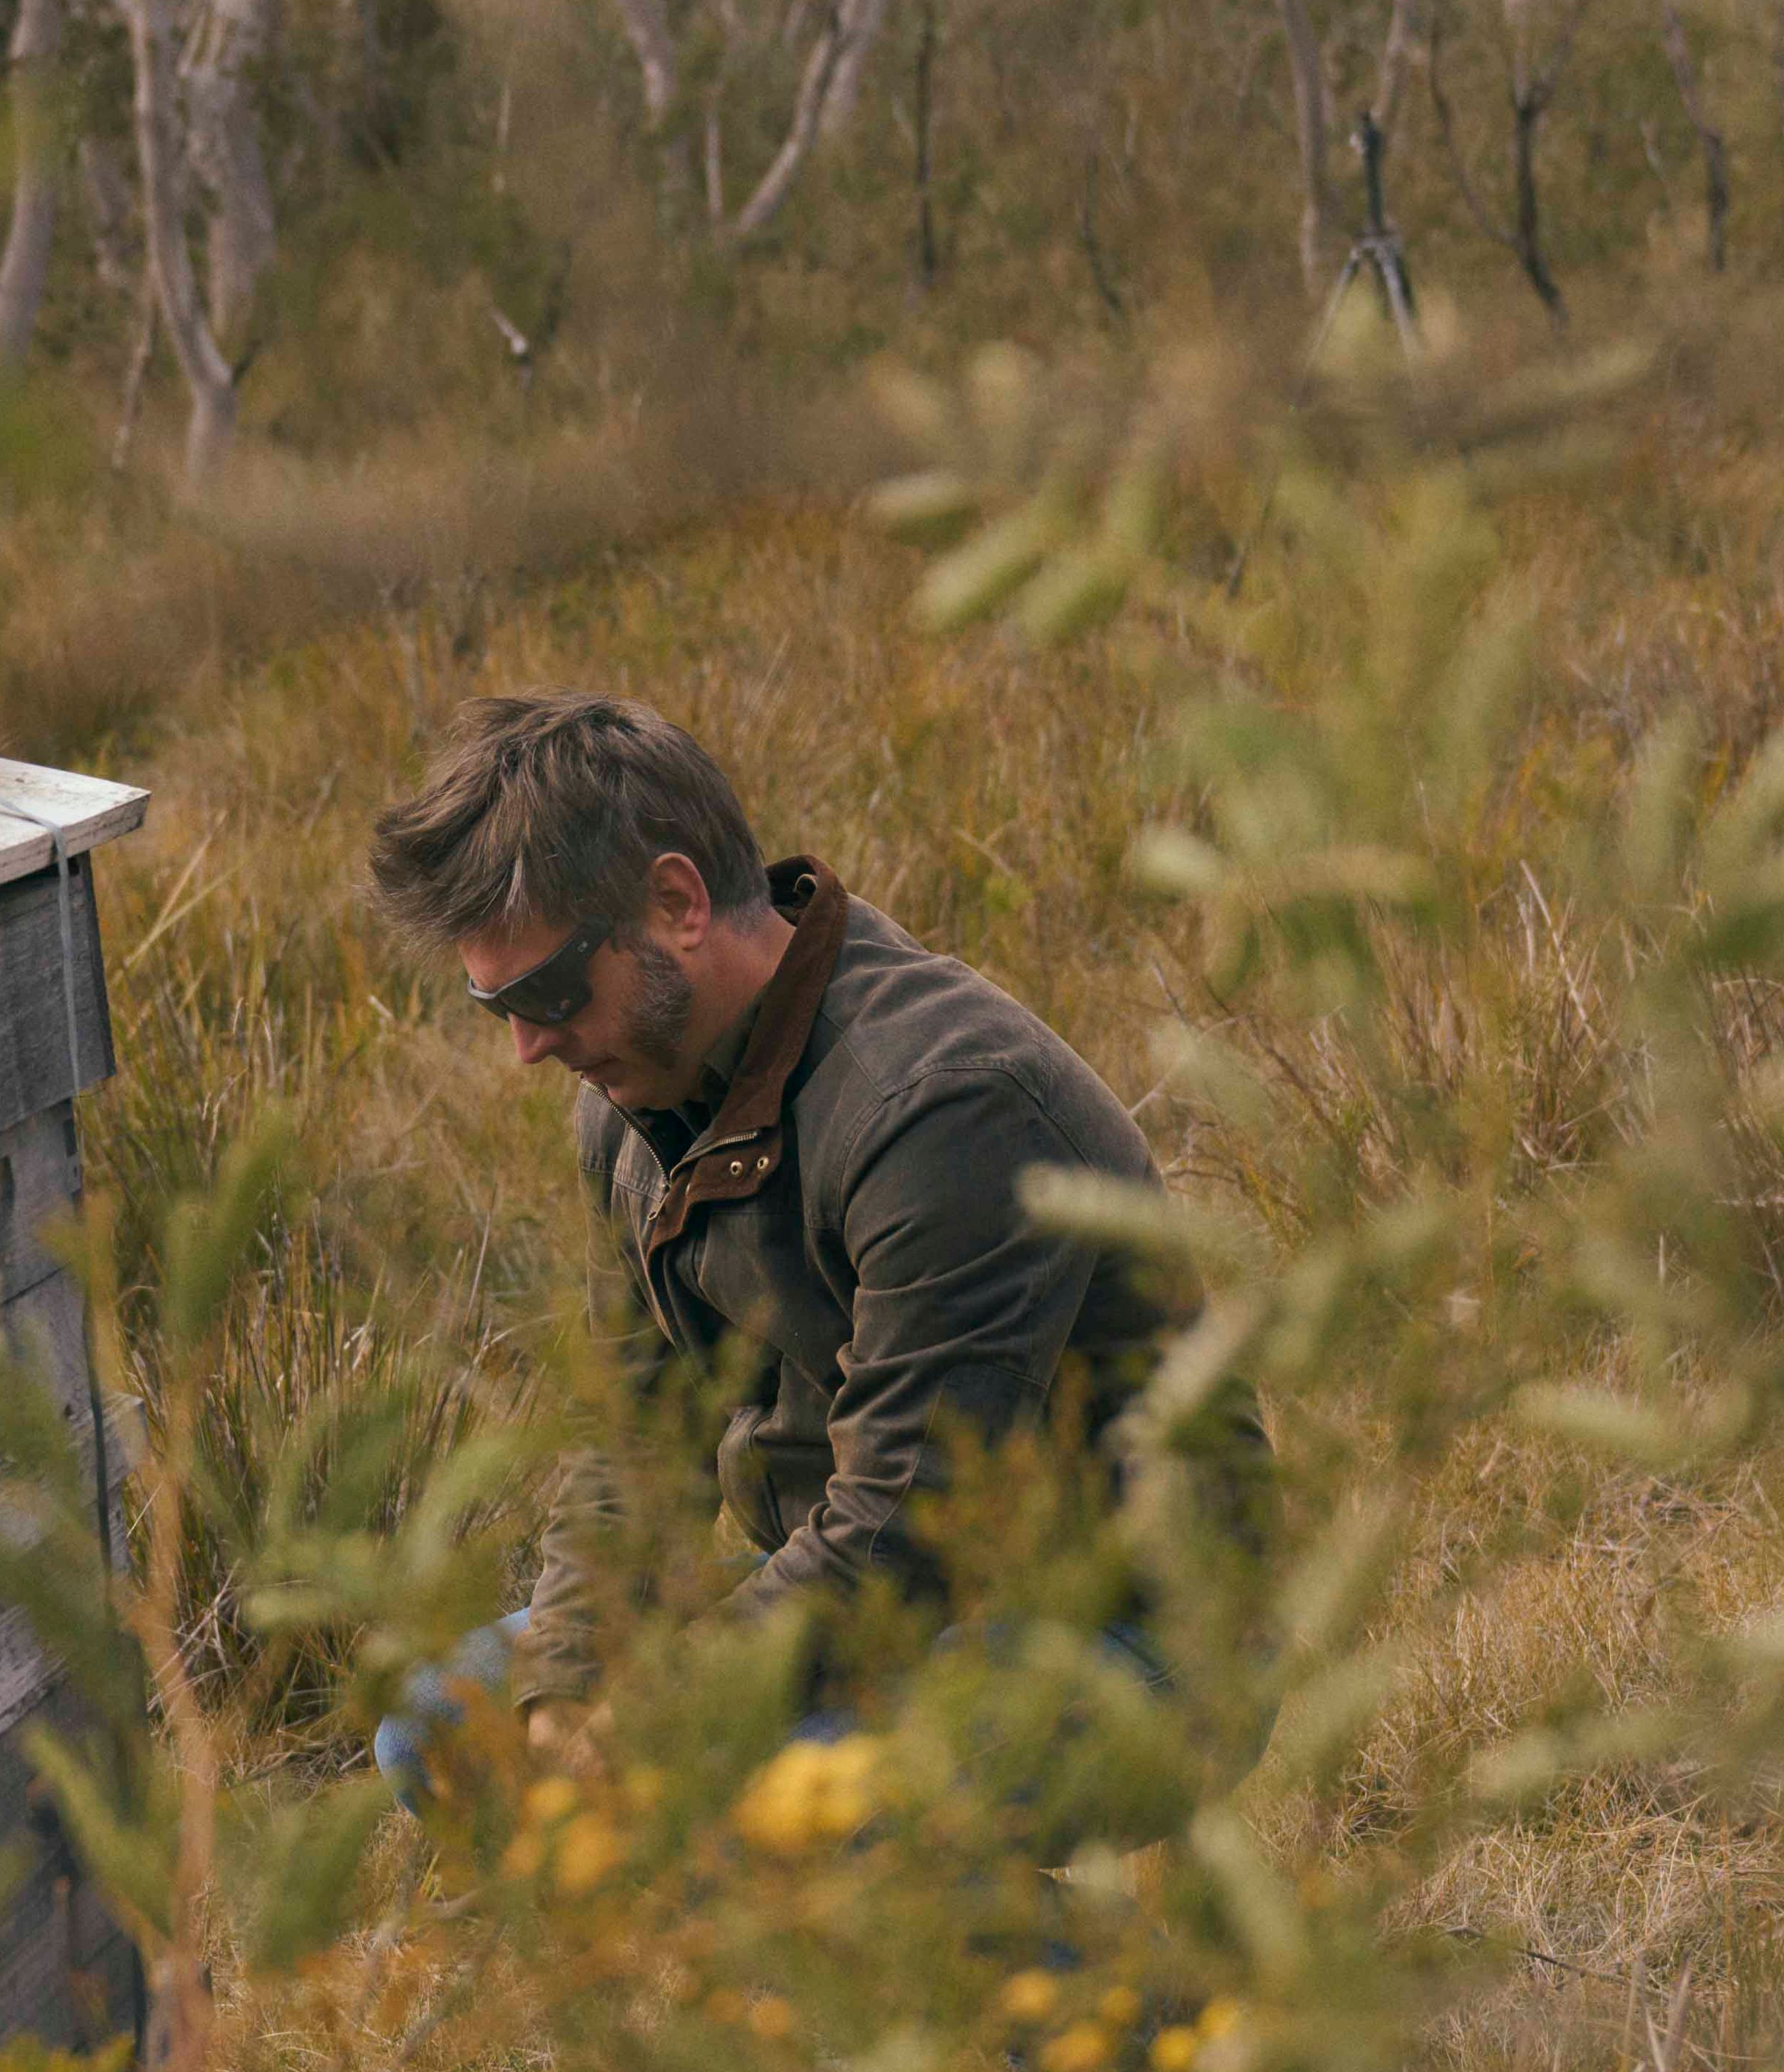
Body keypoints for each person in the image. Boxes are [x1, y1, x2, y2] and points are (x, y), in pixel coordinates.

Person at [359, 693, 1204, 1796]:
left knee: (769, 1804)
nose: (526, 1046)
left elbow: (909, 1529)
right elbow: (634, 1438)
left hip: (1123, 1623)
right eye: (493, 1005)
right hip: (842, 1573)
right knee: (439, 1730)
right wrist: (563, 1689)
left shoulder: (944, 1107)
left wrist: (663, 1711)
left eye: (550, 991)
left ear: (677, 903)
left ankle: (1107, 1976)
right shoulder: (634, 1099)